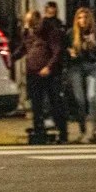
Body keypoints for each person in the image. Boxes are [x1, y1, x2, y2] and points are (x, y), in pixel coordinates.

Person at [12, 9, 68, 143]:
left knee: (55, 102)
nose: (31, 28)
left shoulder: (50, 32)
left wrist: (49, 67)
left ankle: (62, 132)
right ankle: (39, 130)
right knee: (36, 104)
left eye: (32, 24)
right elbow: (24, 48)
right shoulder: (28, 34)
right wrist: (11, 58)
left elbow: (57, 51)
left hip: (49, 72)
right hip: (33, 71)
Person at [66, 7, 96, 143]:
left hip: (92, 67)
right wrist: (71, 53)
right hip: (76, 67)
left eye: (85, 18)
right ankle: (83, 131)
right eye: (80, 18)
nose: (83, 21)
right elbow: (66, 49)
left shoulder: (95, 32)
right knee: (80, 100)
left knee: (92, 97)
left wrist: (94, 44)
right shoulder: (71, 33)